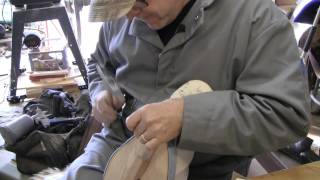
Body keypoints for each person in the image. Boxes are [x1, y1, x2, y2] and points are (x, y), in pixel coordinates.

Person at [64, 0, 310, 179]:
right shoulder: (124, 14)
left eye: (138, 3)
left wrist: (186, 117)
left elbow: (285, 114)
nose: (129, 16)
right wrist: (100, 91)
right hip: (119, 144)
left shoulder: (257, 19)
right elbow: (99, 62)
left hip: (205, 166)